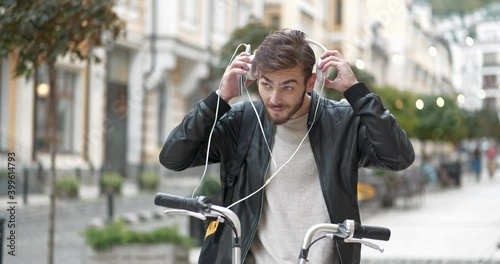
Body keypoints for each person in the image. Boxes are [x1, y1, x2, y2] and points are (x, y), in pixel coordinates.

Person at [159, 29, 415, 264]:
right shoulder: (243, 121)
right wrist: (219, 99)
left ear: (311, 82)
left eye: (287, 87)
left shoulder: (342, 122)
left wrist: (358, 94)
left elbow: (398, 157)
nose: (274, 98)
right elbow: (174, 157)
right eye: (266, 84)